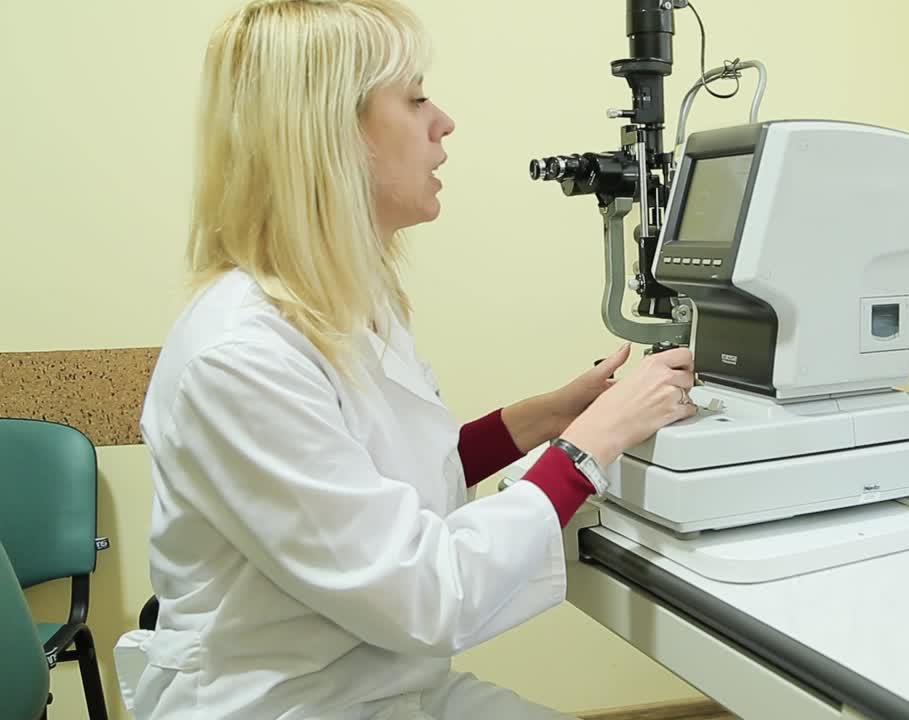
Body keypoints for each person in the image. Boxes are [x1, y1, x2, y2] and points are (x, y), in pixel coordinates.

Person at [128, 1, 696, 718]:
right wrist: (592, 444)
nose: (444, 122)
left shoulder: (346, 299)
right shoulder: (241, 357)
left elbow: (388, 476)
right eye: (416, 98)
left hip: (384, 680)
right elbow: (424, 592)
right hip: (286, 702)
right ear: (330, 131)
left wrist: (547, 416)